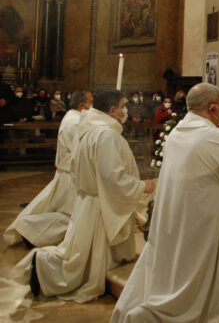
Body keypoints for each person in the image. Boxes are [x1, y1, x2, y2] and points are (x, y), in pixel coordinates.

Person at [111, 83, 219, 323]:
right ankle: (157, 314)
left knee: (177, 267)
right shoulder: (208, 136)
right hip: (199, 219)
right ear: (213, 108)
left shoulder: (179, 131)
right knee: (191, 275)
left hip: (177, 214)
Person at [15, 89, 156, 302]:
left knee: (83, 253)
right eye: (122, 106)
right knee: (80, 260)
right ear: (112, 110)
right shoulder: (106, 135)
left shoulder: (90, 129)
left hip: (89, 202)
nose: (125, 110)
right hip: (99, 204)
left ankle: (45, 265)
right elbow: (112, 179)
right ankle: (43, 266)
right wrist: (141, 186)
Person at [4, 91, 94, 247]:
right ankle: (30, 230)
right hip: (71, 175)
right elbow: (79, 152)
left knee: (70, 214)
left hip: (68, 173)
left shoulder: (72, 117)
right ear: (82, 105)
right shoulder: (76, 122)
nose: (93, 105)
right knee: (71, 216)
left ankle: (30, 230)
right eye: (91, 102)